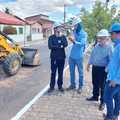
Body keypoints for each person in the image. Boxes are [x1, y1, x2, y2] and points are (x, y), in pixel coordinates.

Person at [86, 29, 113, 111]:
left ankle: (102, 102)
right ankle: (95, 96)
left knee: (103, 86)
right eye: (99, 38)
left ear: (106, 38)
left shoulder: (109, 47)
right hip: (95, 67)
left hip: (103, 69)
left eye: (101, 38)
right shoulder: (97, 45)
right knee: (95, 83)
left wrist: (107, 69)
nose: (100, 40)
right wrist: (88, 64)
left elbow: (111, 60)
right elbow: (92, 55)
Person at [104, 23, 120, 120]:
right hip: (114, 76)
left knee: (107, 97)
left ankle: (110, 117)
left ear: (116, 33)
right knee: (117, 98)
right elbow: (115, 60)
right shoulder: (117, 45)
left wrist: (116, 79)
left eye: (112, 34)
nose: (111, 36)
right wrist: (108, 67)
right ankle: (115, 114)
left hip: (115, 79)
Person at [67, 17, 87, 94]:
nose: (74, 27)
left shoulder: (84, 34)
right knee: (72, 72)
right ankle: (72, 85)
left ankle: (80, 86)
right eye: (74, 25)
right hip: (72, 56)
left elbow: (82, 44)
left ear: (79, 25)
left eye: (75, 25)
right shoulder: (74, 31)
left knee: (80, 72)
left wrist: (74, 41)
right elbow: (70, 33)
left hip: (79, 56)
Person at [48, 27, 68, 93]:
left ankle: (60, 86)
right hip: (54, 58)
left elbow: (66, 44)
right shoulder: (51, 37)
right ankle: (51, 87)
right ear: (54, 29)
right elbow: (50, 46)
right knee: (53, 72)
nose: (58, 30)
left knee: (60, 73)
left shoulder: (63, 37)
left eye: (59, 28)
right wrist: (60, 46)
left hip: (62, 58)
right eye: (56, 28)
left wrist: (57, 45)